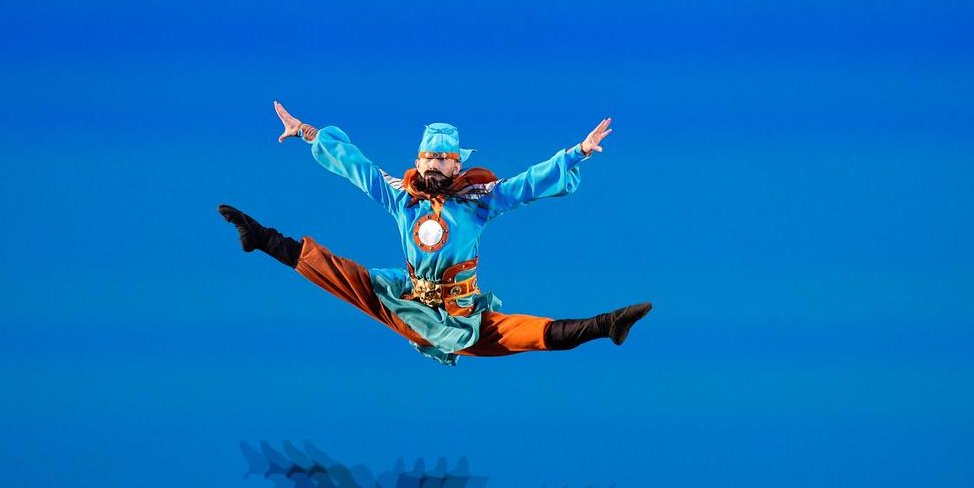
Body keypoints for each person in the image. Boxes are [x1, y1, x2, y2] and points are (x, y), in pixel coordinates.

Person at [216, 102, 651, 365]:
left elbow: (525, 184)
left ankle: (606, 325)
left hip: (463, 319)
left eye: (443, 160)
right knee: (340, 274)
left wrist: (577, 153)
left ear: (456, 165)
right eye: (428, 159)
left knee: (529, 334)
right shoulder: (401, 197)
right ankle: (260, 236)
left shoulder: (478, 200)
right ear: (419, 161)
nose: (433, 166)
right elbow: (357, 167)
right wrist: (308, 132)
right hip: (406, 301)